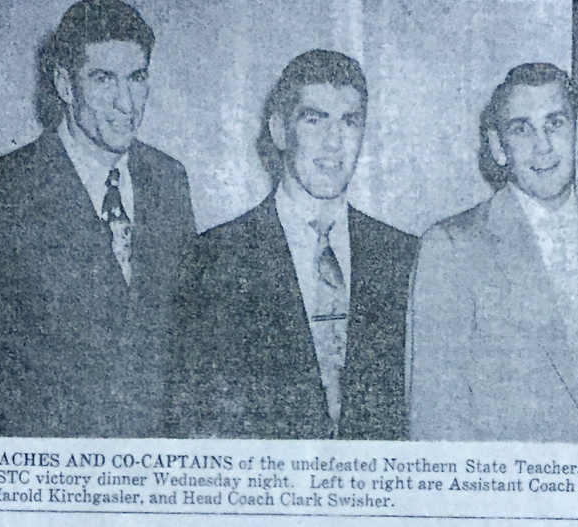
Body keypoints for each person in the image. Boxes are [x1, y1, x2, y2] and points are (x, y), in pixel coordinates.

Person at [0, 0, 194, 437]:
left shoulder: (169, 180)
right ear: (64, 85)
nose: (125, 103)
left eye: (137, 77)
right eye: (103, 79)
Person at [168, 49, 419, 440]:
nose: (334, 142)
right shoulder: (214, 258)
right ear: (280, 131)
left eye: (349, 122)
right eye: (315, 120)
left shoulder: (405, 257)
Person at [407, 63, 578, 442]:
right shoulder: (452, 247)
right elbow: (436, 419)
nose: (543, 145)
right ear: (499, 147)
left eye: (555, 124)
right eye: (522, 129)